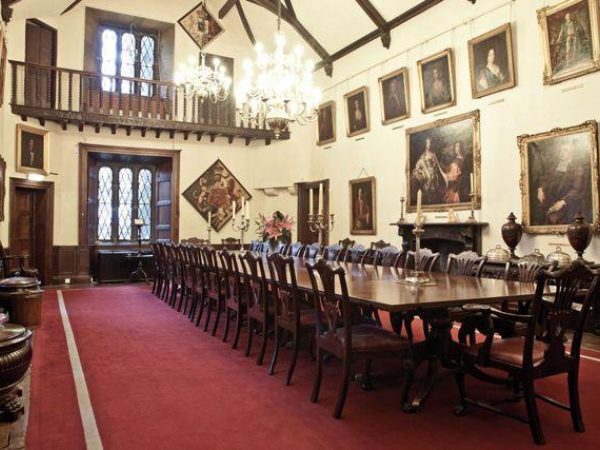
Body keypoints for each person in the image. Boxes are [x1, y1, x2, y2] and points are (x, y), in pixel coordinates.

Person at [534, 144, 588, 225]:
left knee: (552, 219)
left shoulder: (577, 168)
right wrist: (540, 189)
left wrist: (563, 201)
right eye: (561, 150)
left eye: (565, 150)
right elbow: (547, 179)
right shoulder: (555, 166)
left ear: (571, 153)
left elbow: (576, 189)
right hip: (551, 200)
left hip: (568, 203)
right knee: (537, 215)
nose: (562, 152)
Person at [412, 137, 443, 205]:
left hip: (434, 179)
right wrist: (422, 173)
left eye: (430, 142)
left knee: (434, 196)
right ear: (425, 144)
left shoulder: (433, 155)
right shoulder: (422, 157)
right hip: (426, 179)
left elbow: (438, 166)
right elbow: (416, 169)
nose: (429, 144)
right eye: (427, 143)